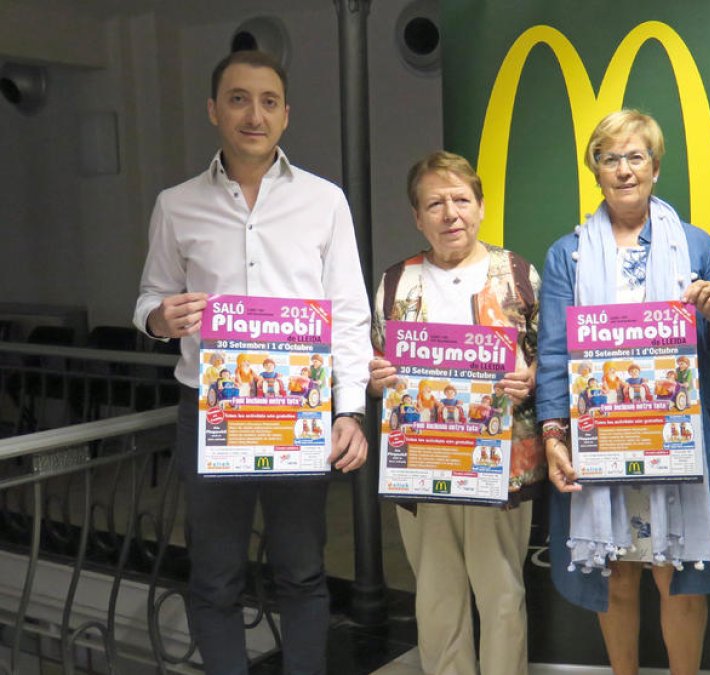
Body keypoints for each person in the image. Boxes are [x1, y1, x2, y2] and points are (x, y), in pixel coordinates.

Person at [132, 49, 372, 674]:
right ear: (214, 110)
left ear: (286, 115)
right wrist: (160, 319)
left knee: (301, 572)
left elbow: (348, 312)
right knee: (214, 577)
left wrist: (349, 410)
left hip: (299, 412)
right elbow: (150, 298)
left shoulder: (325, 202)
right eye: (238, 98)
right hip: (210, 414)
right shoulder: (175, 204)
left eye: (268, 102)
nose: (253, 114)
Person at [537, 109, 710, 675]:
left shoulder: (695, 245)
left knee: (679, 579)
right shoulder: (568, 254)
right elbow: (554, 353)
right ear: (595, 171)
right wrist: (554, 436)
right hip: (602, 438)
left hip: (679, 440)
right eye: (610, 158)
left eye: (635, 157)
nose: (623, 170)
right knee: (619, 573)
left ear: (655, 167)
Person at [366, 151, 542, 675]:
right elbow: (374, 364)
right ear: (418, 217)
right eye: (435, 204)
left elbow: (551, 361)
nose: (451, 214)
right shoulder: (397, 282)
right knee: (438, 600)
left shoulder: (516, 275)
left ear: (481, 206)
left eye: (461, 200)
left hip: (500, 466)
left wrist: (529, 377)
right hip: (421, 466)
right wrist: (375, 381)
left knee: (502, 595)